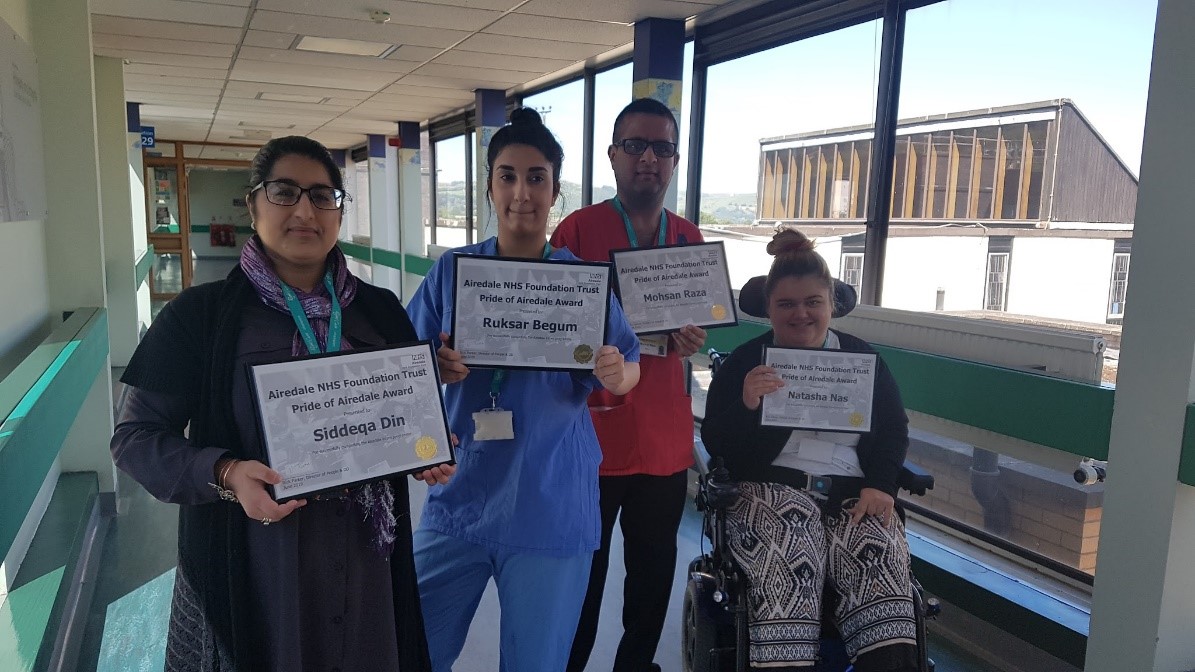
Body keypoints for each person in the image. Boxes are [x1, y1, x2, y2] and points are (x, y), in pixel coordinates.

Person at [111, 136, 452, 672]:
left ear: (338, 211)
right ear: (253, 205)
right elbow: (134, 438)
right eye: (284, 192)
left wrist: (424, 447)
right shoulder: (200, 318)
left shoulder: (381, 313)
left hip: (367, 568)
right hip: (255, 569)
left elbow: (404, 417)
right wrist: (223, 472)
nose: (303, 210)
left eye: (322, 196)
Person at [406, 107, 642, 672]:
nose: (522, 192)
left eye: (536, 177)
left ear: (554, 190)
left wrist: (615, 372)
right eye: (507, 175)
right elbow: (405, 369)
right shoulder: (453, 272)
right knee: (413, 648)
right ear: (489, 186)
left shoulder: (579, 284)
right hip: (459, 493)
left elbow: (629, 362)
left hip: (550, 500)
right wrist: (434, 366)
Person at [700, 229, 918, 671]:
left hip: (852, 492)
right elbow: (717, 443)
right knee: (791, 558)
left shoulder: (862, 359)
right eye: (787, 305)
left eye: (812, 303)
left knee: (878, 563)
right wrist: (746, 405)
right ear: (769, 310)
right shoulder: (748, 361)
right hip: (770, 489)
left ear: (830, 305)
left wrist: (881, 485)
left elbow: (893, 430)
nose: (801, 314)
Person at [551, 96, 706, 672]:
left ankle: (635, 667)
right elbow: (554, 328)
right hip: (591, 442)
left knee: (650, 580)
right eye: (635, 146)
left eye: (661, 148)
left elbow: (701, 321)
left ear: (674, 161)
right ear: (613, 155)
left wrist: (691, 339)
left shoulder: (690, 239)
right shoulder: (579, 230)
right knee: (582, 580)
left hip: (663, 444)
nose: (648, 158)